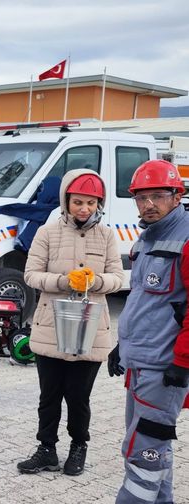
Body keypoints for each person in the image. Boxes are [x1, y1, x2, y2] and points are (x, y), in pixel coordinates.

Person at [16, 170, 125, 476]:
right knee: (49, 396)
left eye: (91, 202)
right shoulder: (47, 233)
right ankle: (46, 449)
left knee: (78, 397)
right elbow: (31, 274)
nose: (84, 209)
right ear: (66, 201)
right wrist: (64, 281)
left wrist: (96, 281)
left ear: (99, 203)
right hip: (51, 325)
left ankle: (79, 446)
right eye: (78, 202)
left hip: (91, 328)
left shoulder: (107, 235)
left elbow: (118, 278)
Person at [113, 160, 189, 503]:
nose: (148, 204)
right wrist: (121, 346)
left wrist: (183, 361)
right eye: (141, 198)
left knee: (142, 452)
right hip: (140, 365)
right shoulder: (147, 237)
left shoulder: (186, 239)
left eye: (157, 196)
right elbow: (143, 300)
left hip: (164, 370)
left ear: (176, 196)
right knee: (154, 450)